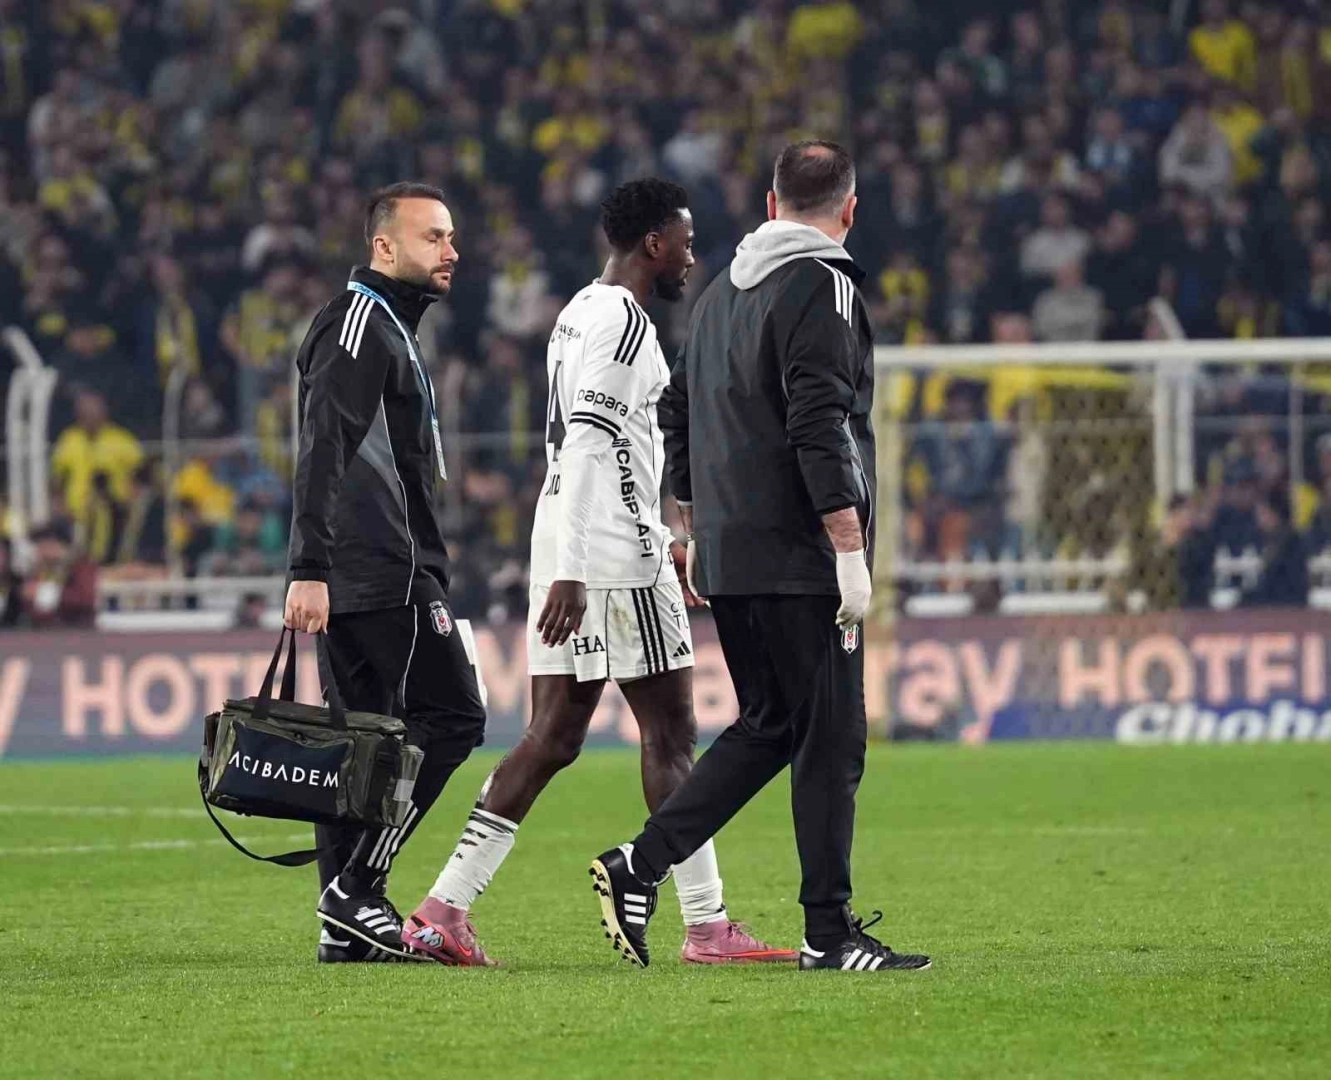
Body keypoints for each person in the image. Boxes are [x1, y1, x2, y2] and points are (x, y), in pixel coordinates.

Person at [400, 179, 794, 967]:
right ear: (653, 243)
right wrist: (583, 570)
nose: (690, 257)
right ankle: (707, 925)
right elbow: (587, 442)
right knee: (671, 736)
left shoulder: (578, 311)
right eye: (684, 243)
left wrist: (590, 555)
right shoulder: (623, 322)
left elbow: (604, 447)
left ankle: (443, 909)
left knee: (551, 736)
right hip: (610, 557)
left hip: (569, 540)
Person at [588, 141, 930, 973]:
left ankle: (640, 863)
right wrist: (847, 549)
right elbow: (819, 422)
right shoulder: (826, 286)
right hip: (800, 556)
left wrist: (693, 524)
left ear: (771, 206)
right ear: (849, 210)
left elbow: (675, 412)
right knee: (832, 739)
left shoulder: (717, 296)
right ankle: (828, 934)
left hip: (730, 555)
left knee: (771, 725)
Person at [283, 182, 486, 963]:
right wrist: (308, 567)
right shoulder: (359, 323)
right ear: (383, 246)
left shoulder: (385, 327)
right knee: (453, 715)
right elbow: (322, 447)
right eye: (433, 237)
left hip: (373, 566)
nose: (450, 250)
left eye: (451, 236)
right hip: (378, 568)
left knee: (358, 746)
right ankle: (357, 888)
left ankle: (343, 927)